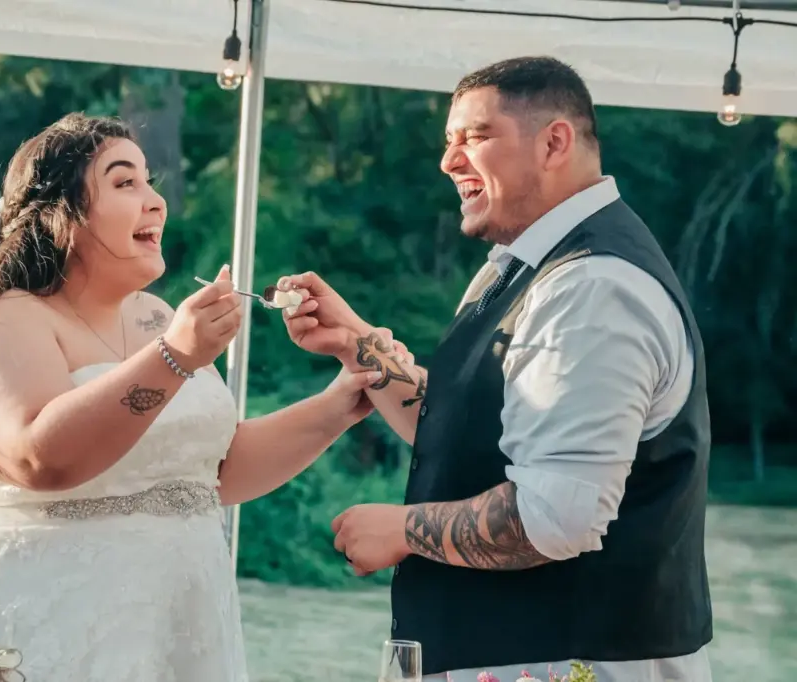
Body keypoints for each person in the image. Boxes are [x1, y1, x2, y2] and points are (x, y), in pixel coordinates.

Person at [0, 113, 382, 682]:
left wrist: (342, 402)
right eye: (125, 183)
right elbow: (38, 456)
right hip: (51, 626)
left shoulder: (155, 318)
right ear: (60, 214)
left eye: (151, 183)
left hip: (177, 626)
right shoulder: (10, 318)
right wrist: (176, 357)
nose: (155, 202)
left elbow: (210, 475)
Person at [278, 57, 713, 682]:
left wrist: (402, 530)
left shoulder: (591, 288)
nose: (449, 162)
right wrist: (357, 345)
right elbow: (473, 431)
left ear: (554, 142)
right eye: (448, 142)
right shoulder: (525, 265)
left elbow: (554, 516)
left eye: (473, 137)